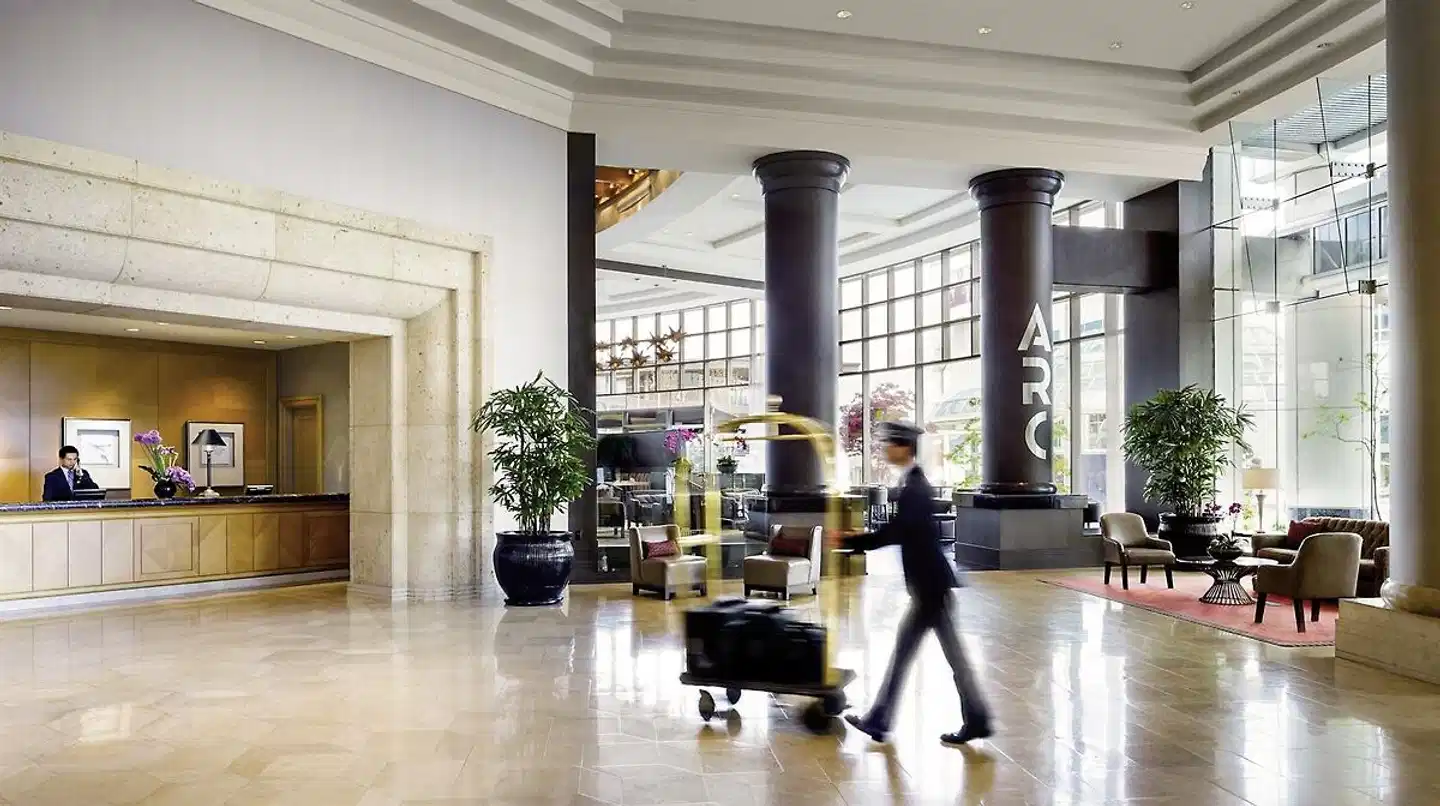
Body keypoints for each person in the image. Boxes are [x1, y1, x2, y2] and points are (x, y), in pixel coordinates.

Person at [842, 421, 993, 746]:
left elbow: (900, 531)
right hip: (930, 586)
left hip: (930, 588)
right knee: (934, 654)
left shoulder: (915, 486)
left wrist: (858, 542)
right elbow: (903, 531)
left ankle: (882, 720)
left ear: (904, 448)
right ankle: (976, 718)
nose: (885, 451)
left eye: (890, 445)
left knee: (914, 654)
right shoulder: (913, 483)